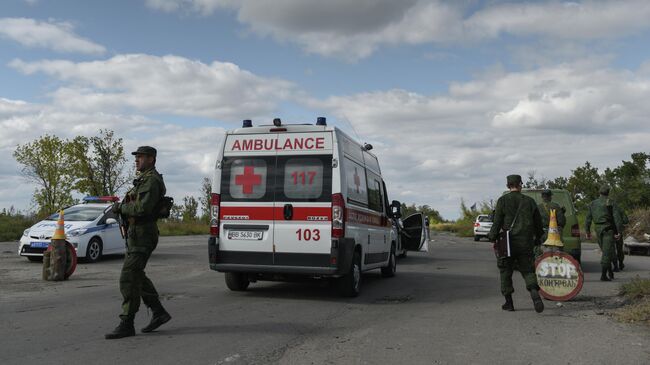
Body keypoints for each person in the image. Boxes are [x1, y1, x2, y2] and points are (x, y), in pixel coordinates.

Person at [105, 146, 171, 339]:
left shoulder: (151, 181)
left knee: (128, 277)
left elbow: (142, 208)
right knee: (137, 275)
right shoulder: (143, 180)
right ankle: (159, 312)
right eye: (136, 157)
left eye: (140, 157)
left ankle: (127, 322)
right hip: (136, 233)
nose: (137, 160)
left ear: (152, 159)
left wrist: (120, 208)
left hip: (144, 233)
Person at [488, 175, 545, 313]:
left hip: (507, 242)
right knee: (528, 269)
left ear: (508, 186)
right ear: (520, 185)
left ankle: (509, 303)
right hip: (525, 242)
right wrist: (538, 238)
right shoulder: (530, 202)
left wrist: (492, 236)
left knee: (505, 271)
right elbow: (538, 223)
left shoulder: (502, 201)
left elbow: (497, 222)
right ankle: (533, 291)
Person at [584, 185, 623, 282]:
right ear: (608, 192)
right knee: (606, 252)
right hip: (608, 229)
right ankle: (603, 275)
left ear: (599, 192)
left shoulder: (592, 203)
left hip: (597, 229)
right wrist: (619, 231)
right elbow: (617, 218)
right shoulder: (611, 202)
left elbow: (588, 219)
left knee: (606, 251)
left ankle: (610, 272)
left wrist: (587, 232)